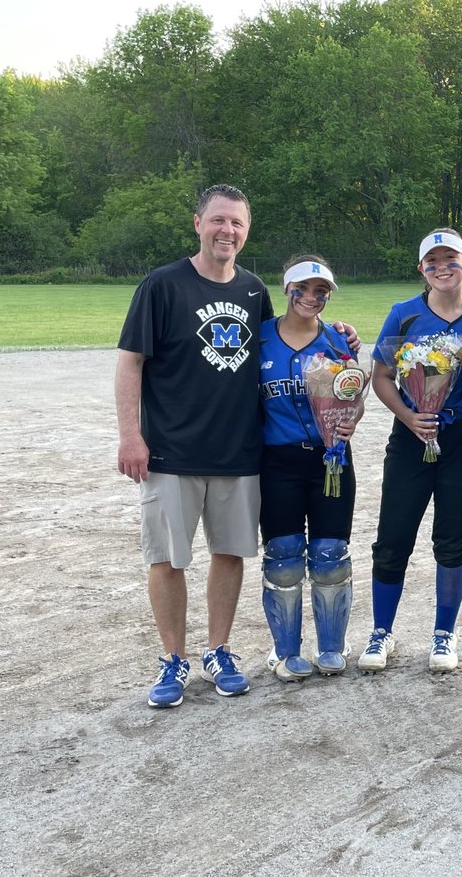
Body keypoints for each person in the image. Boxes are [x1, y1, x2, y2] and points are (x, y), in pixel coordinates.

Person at [117, 184, 269, 708]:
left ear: (246, 233)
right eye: (219, 220)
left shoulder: (253, 290)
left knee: (230, 553)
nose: (227, 231)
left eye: (238, 224)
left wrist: (332, 330)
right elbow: (130, 362)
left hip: (238, 451)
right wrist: (131, 435)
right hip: (171, 453)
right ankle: (173, 658)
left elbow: (279, 347)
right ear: (198, 222)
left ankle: (219, 649)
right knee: (167, 560)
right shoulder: (163, 285)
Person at [357, 229, 462, 674]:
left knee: (452, 538)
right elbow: (381, 376)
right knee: (393, 538)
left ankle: (444, 633)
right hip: (410, 437)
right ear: (422, 270)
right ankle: (381, 632)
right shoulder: (405, 315)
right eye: (432, 262)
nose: (442, 268)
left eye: (450, 259)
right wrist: (409, 417)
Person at [257, 256, 361, 681]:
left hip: (330, 459)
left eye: (322, 291)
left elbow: (353, 396)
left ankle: (333, 646)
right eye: (304, 288)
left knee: (329, 556)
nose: (313, 297)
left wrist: (352, 418)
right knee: (283, 558)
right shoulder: (259, 339)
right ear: (288, 290)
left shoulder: (339, 342)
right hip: (276, 462)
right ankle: (285, 651)